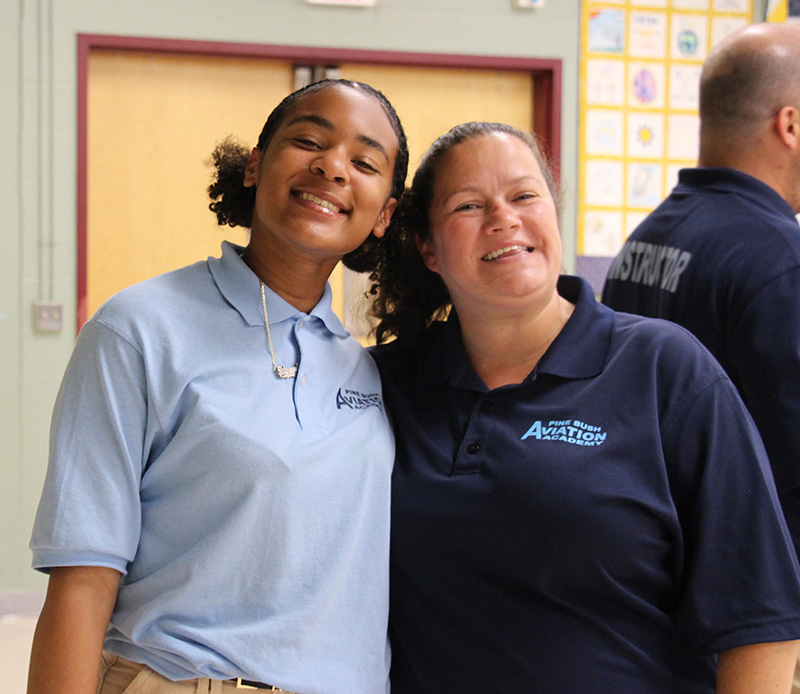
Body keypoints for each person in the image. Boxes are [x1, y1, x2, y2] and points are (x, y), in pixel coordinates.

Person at [368, 121, 800, 693]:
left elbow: (760, 620)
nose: (505, 218)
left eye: (524, 196)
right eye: (468, 206)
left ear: (553, 211)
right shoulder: (383, 386)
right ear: (427, 247)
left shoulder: (664, 369)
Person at [27, 78, 408, 694]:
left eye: (364, 163)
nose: (333, 168)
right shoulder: (139, 328)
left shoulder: (369, 370)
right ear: (256, 166)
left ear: (385, 213)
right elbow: (83, 577)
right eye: (309, 140)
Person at [601, 23, 800, 559]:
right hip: (759, 587)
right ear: (790, 125)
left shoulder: (649, 236)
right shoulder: (781, 260)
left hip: (659, 565)